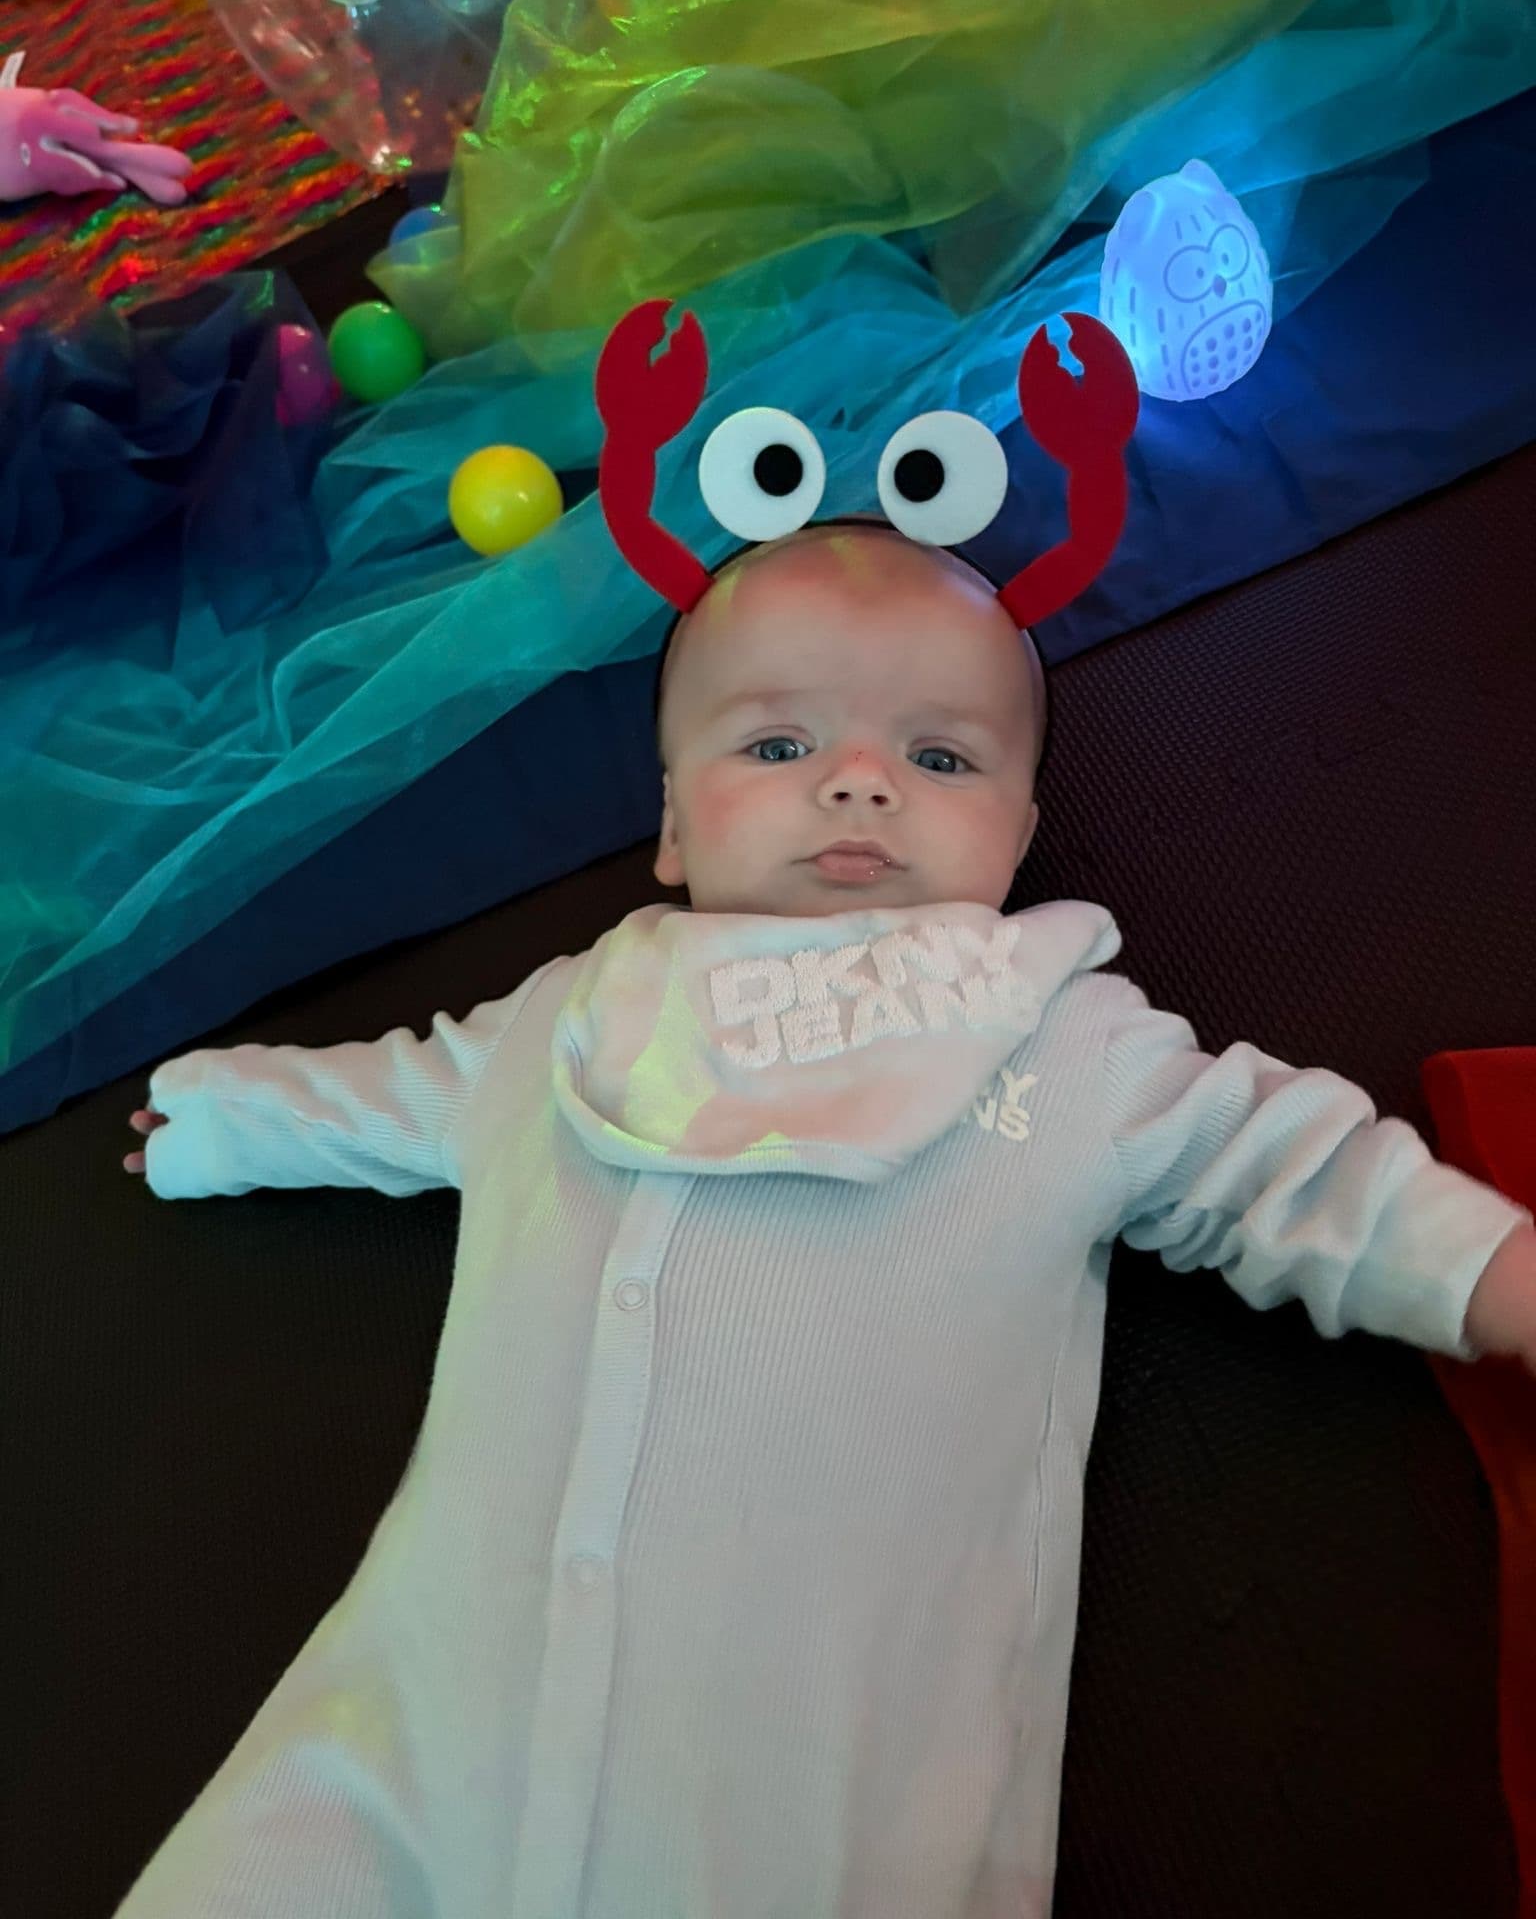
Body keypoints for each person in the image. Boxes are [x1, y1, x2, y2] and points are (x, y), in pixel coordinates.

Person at [117, 517, 1536, 1919]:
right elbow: (400, 1094)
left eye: (939, 757)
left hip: (811, 1792)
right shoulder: (568, 1020)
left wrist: (1501, 1271)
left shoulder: (1061, 1045)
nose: (860, 784)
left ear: (1020, 831)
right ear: (672, 823)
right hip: (423, 1730)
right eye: (781, 747)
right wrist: (225, 1117)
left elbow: (1290, 1172)